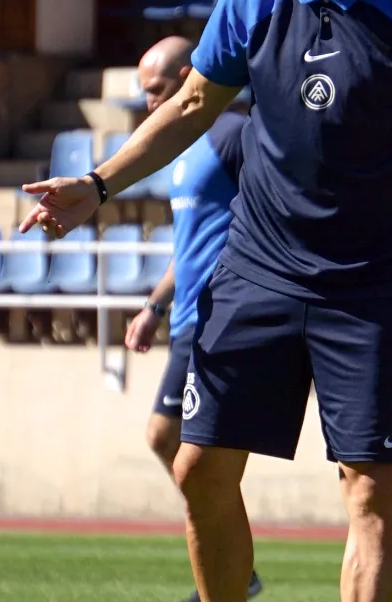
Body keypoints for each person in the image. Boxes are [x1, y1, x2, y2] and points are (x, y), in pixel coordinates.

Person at [18, 0, 392, 599]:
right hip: (257, 273)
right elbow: (191, 106)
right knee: (198, 469)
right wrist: (99, 185)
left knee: (369, 491)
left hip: (368, 287)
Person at [122, 38, 263, 602]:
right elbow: (191, 247)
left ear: (186, 76)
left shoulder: (231, 136)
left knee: (185, 453)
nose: (149, 103)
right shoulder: (182, 154)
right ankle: (233, 568)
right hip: (184, 320)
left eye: (156, 90)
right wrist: (154, 307)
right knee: (170, 444)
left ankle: (229, 573)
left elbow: (261, 217)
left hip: (218, 318)